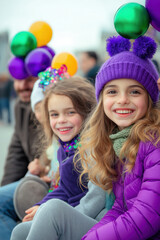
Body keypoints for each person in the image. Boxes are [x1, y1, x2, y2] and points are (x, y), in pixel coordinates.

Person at [12, 35, 160, 240]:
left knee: (53, 211)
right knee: (21, 231)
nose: (123, 100)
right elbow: (118, 207)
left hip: (139, 231)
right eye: (112, 91)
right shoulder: (118, 141)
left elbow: (143, 216)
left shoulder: (153, 142)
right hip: (117, 225)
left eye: (135, 91)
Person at [11, 74, 97, 238]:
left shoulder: (93, 148)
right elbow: (64, 189)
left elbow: (96, 199)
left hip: (95, 219)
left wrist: (63, 216)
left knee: (52, 210)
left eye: (70, 112)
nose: (61, 120)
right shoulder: (64, 149)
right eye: (54, 115)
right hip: (71, 213)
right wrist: (40, 206)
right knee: (19, 231)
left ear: (87, 113)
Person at [0, 75, 39, 240]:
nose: (22, 85)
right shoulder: (20, 106)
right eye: (17, 79)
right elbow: (16, 156)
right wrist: (7, 194)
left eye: (29, 80)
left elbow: (52, 153)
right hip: (34, 179)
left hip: (49, 182)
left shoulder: (55, 105)